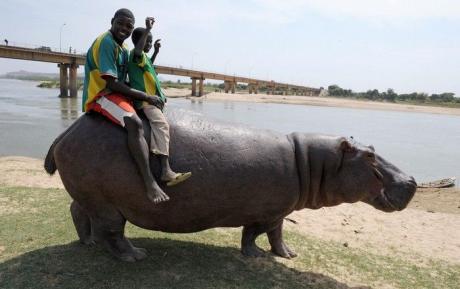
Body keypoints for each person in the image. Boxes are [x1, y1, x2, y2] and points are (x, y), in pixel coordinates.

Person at [81, 8, 169, 204]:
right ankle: (149, 182)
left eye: (128, 26)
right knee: (135, 123)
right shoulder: (106, 42)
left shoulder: (121, 48)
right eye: (120, 23)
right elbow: (111, 83)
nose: (124, 28)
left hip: (116, 92)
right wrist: (147, 95)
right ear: (112, 21)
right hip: (102, 94)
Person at [128, 17, 191, 187]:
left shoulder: (144, 58)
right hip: (146, 102)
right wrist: (147, 30)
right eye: (146, 41)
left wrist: (155, 52)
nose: (148, 43)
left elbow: (147, 66)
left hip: (154, 101)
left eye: (150, 41)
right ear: (138, 42)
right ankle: (165, 169)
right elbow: (139, 52)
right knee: (162, 126)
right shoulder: (135, 55)